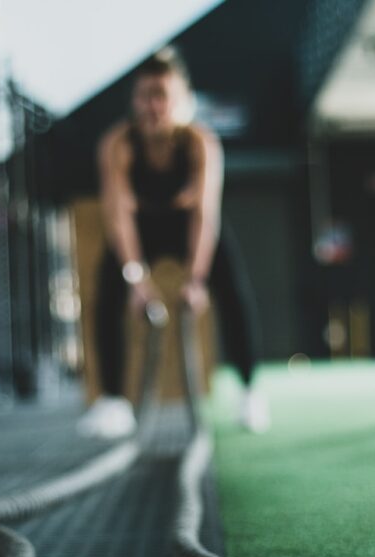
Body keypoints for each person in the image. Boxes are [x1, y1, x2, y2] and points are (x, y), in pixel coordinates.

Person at [77, 46, 269, 439]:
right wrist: (136, 282)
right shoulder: (118, 145)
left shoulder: (200, 144)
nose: (152, 106)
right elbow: (118, 217)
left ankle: (250, 392)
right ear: (134, 101)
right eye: (145, 96)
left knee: (232, 288)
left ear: (181, 101)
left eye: (161, 96)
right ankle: (113, 402)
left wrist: (196, 281)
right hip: (141, 229)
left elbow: (204, 216)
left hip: (188, 228)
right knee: (107, 287)